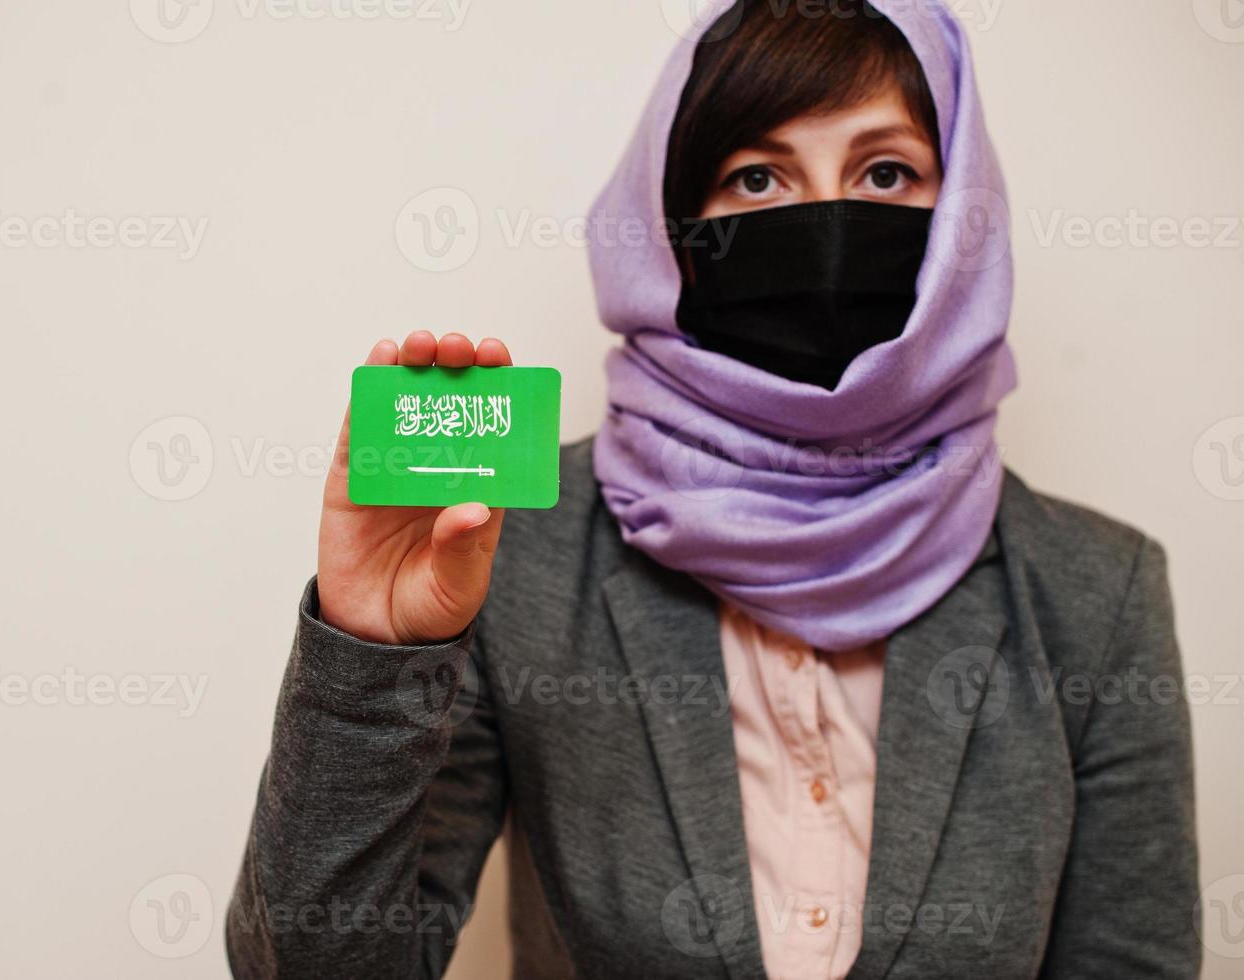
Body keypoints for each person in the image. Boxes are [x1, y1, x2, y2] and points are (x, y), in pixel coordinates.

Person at [226, 1, 1201, 976]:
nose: (823, 224)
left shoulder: (1093, 591)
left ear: (961, 221)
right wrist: (372, 647)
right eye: (757, 177)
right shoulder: (514, 547)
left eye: (887, 172)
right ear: (675, 229)